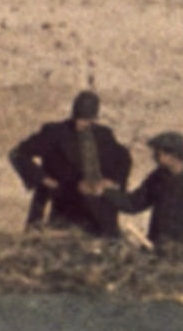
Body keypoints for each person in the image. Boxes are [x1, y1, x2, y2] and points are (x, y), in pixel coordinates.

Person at [9, 90, 132, 236]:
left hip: (93, 208)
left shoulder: (104, 135)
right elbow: (18, 154)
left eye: (87, 120)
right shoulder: (54, 133)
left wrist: (112, 182)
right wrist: (43, 179)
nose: (81, 123)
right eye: (78, 118)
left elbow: (123, 159)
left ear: (94, 118)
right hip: (63, 202)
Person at [100, 132, 183, 258]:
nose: (154, 157)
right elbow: (133, 203)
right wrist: (106, 191)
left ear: (173, 155)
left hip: (182, 261)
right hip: (154, 253)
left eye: (157, 153)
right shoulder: (158, 177)